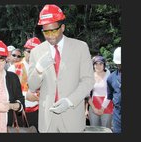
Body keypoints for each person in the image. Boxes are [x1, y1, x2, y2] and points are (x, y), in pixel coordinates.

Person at [28, 4, 95, 132]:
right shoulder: (36, 51)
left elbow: (88, 81)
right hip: (48, 119)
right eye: (46, 31)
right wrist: (38, 69)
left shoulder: (80, 47)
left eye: (54, 30)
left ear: (62, 27)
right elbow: (32, 86)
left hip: (72, 116)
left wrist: (69, 101)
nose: (50, 35)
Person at [8, 37, 41, 131]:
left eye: (35, 51)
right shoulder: (13, 69)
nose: (32, 54)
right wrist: (26, 95)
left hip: (39, 111)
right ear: (24, 52)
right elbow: (9, 91)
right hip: (19, 111)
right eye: (29, 51)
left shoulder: (44, 68)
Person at [86, 55, 113, 129]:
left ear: (104, 65)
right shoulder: (90, 76)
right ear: (93, 65)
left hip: (107, 106)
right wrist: (93, 108)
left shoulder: (109, 76)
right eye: (96, 64)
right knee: (94, 129)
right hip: (93, 106)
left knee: (106, 129)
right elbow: (87, 94)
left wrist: (102, 108)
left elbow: (109, 93)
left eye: (100, 64)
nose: (98, 66)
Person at [102, 47, 121, 133]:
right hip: (118, 117)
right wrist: (102, 108)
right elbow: (109, 96)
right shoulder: (111, 78)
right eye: (119, 63)